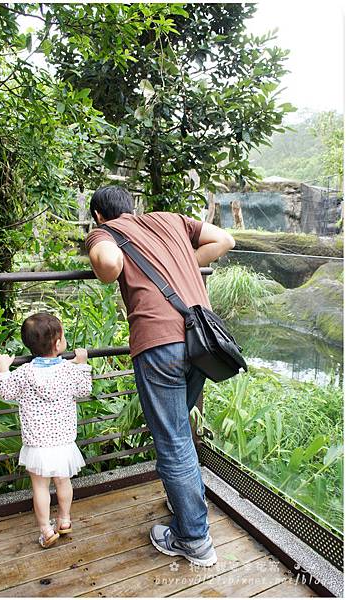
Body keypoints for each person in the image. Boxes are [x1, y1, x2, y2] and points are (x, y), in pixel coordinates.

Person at [85, 185, 235, 567]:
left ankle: (193, 539)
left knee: (172, 441)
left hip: (159, 343)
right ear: (133, 207)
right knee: (178, 433)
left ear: (99, 215)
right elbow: (224, 239)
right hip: (201, 339)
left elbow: (108, 265)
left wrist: (106, 250)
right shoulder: (168, 219)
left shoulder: (105, 231)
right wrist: (185, 258)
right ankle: (183, 501)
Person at [0, 312, 92, 548]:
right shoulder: (69, 371)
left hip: (37, 443)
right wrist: (82, 364)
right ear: (58, 344)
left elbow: (6, 392)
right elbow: (84, 390)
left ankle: (46, 531)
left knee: (40, 487)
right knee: (63, 482)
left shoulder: (25, 373)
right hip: (63, 440)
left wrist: (4, 369)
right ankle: (65, 520)